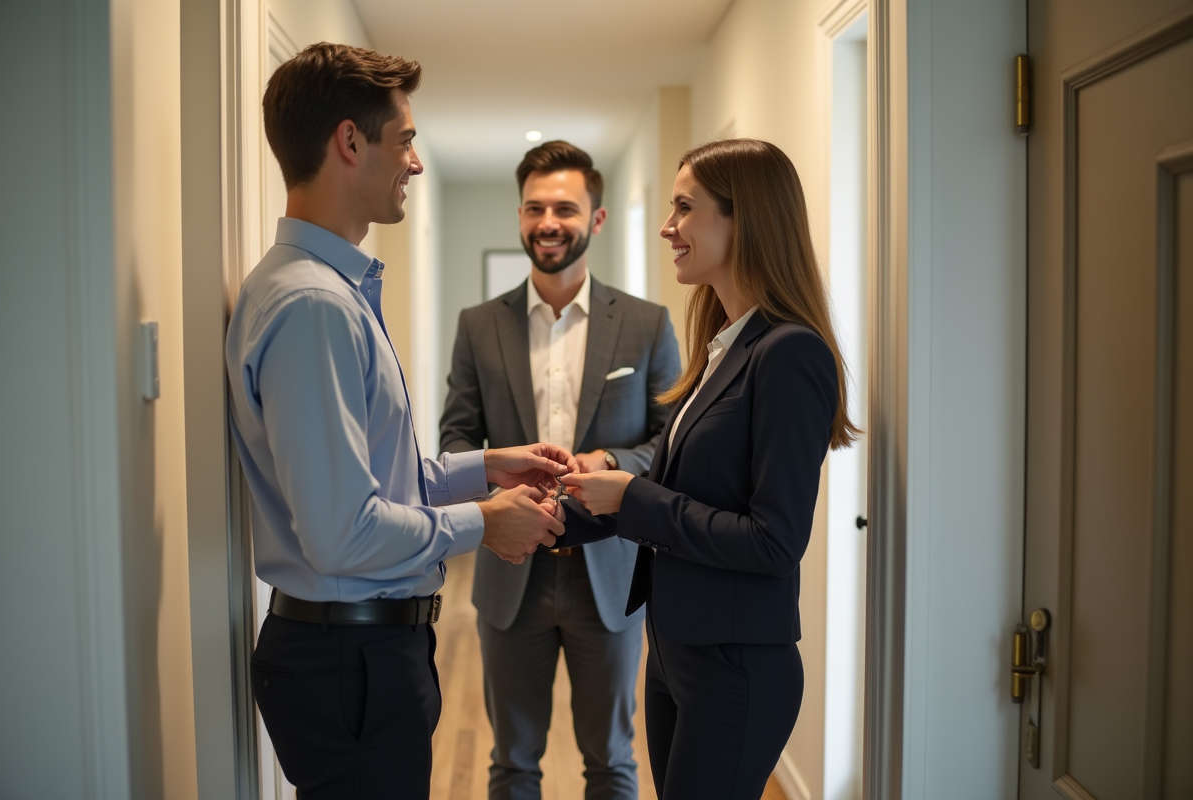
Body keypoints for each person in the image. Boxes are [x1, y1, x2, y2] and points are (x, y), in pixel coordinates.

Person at [225, 43, 574, 799]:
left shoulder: (325, 290)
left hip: (358, 652)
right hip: (348, 662)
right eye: (406, 140)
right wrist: (484, 522)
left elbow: (380, 480)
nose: (414, 163)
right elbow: (344, 529)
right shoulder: (313, 306)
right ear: (350, 142)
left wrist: (485, 467)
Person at [558, 138, 860, 800]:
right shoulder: (723, 345)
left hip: (736, 666)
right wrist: (555, 516)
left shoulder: (789, 354)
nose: (669, 226)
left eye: (685, 208)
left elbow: (774, 541)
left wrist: (631, 495)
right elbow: (676, 494)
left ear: (742, 219)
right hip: (675, 651)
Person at [439, 140, 681, 800]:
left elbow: (670, 444)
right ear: (519, 215)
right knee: (512, 762)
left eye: (566, 208)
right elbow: (456, 436)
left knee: (611, 759)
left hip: (608, 573)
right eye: (536, 207)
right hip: (508, 572)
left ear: (596, 220)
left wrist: (608, 460)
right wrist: (499, 494)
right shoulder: (477, 326)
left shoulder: (646, 324)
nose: (549, 222)